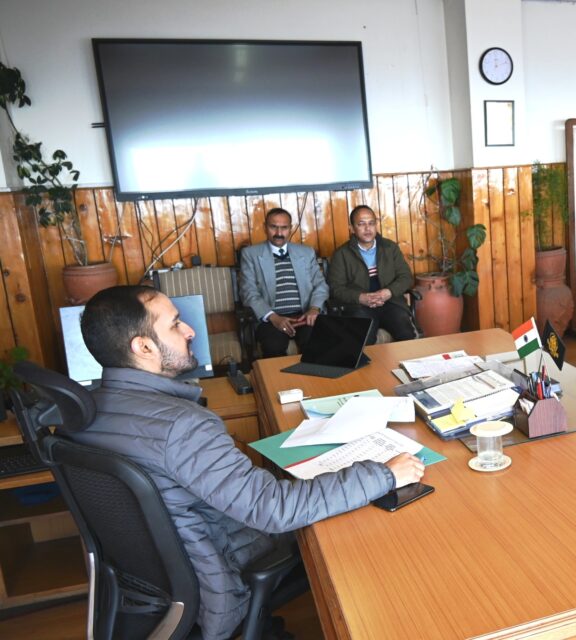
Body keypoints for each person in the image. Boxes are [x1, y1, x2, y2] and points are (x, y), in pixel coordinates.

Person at [69, 286, 425, 639]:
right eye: (176, 325)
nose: (190, 331)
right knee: (360, 524)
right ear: (143, 347)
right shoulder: (181, 426)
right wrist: (382, 473)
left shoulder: (85, 412)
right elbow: (272, 509)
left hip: (156, 585)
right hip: (218, 582)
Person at [239, 208, 329, 357]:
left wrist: (314, 309)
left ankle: (314, 380)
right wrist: (273, 317)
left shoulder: (306, 252)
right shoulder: (251, 254)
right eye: (273, 227)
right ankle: (280, 381)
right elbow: (248, 292)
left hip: (304, 315)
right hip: (271, 318)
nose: (279, 233)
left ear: (290, 228)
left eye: (284, 227)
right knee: (273, 346)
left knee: (316, 342)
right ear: (264, 227)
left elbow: (321, 286)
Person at [328, 205, 416, 344]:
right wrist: (360, 298)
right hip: (359, 306)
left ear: (376, 225)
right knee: (364, 339)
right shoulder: (342, 254)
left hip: (390, 302)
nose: (367, 229)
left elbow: (406, 277)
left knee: (406, 333)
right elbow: (336, 288)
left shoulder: (390, 248)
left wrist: (389, 292)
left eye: (371, 223)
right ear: (351, 228)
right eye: (361, 224)